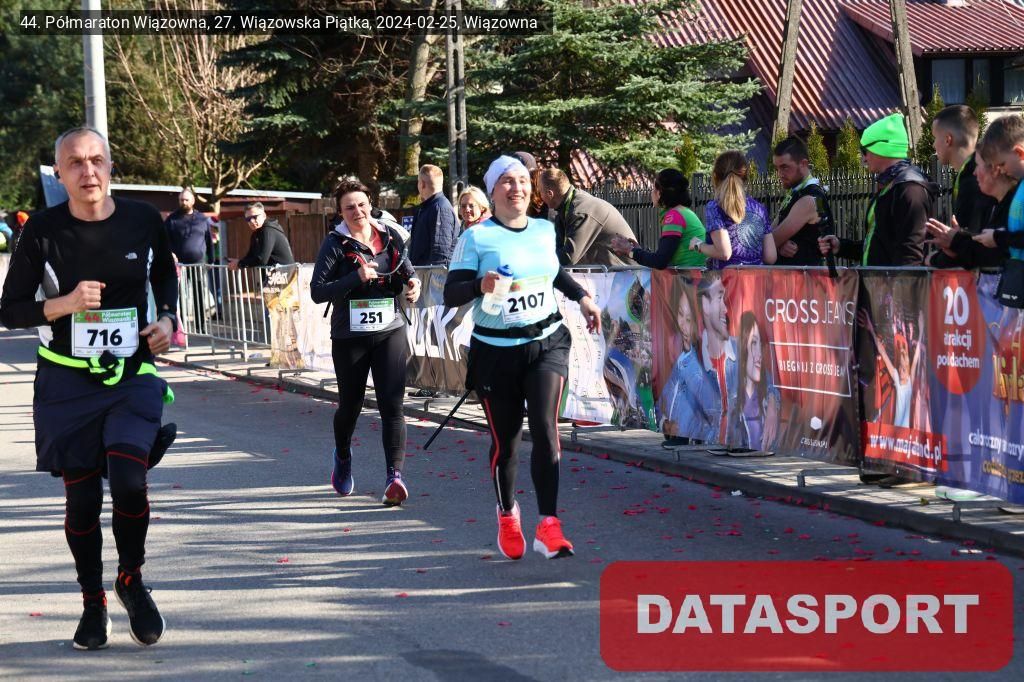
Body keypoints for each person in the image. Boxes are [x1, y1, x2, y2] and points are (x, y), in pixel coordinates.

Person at [0, 126, 177, 650]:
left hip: (131, 373)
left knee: (129, 481)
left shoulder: (143, 219)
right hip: (66, 378)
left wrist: (167, 319)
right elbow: (10, 310)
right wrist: (66, 304)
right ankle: (92, 601)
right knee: (81, 503)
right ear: (59, 173)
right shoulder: (42, 230)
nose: (88, 171)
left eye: (97, 160)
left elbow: (165, 278)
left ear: (111, 166)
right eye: (75, 163)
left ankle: (131, 579)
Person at [443, 155, 602, 560]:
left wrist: (582, 297)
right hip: (495, 352)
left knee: (547, 430)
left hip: (547, 342)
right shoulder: (476, 239)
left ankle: (549, 524)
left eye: (522, 181)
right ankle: (507, 513)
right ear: (493, 192)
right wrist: (480, 284)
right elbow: (451, 292)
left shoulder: (545, 229)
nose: (517, 188)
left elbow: (554, 272)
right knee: (507, 443)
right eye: (507, 182)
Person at [310, 180, 421, 505]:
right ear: (340, 212)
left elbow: (406, 270)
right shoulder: (335, 243)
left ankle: (394, 477)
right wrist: (354, 278)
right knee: (351, 405)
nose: (357, 211)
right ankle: (343, 456)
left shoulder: (389, 235)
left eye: (361, 204)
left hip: (390, 330)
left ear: (369, 203)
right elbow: (317, 291)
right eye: (349, 207)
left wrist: (413, 284)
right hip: (350, 336)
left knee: (392, 404)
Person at [819, 113, 938, 266]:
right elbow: (880, 246)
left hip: (896, 281)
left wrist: (895, 284)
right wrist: (842, 247)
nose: (863, 159)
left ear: (881, 148)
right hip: (882, 280)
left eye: (865, 151)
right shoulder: (891, 185)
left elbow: (911, 256)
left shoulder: (910, 189)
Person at [929, 145, 1018, 268]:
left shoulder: (1014, 203)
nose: (974, 172)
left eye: (978, 165)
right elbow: (981, 254)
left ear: (995, 169)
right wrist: (955, 246)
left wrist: (956, 241)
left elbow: (997, 257)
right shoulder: (996, 204)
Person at [538, 168, 638, 267]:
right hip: (610, 271)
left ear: (550, 193)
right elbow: (558, 248)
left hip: (627, 273)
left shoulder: (580, 211)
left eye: (540, 192)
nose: (540, 197)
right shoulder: (567, 208)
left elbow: (568, 256)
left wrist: (536, 262)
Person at [610, 169, 707, 268]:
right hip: (695, 274)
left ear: (660, 192)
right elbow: (664, 256)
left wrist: (629, 250)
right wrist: (638, 251)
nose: (651, 193)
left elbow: (660, 261)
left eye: (653, 189)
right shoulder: (684, 212)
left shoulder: (674, 216)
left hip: (690, 276)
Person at [695, 151, 777, 268]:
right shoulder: (759, 208)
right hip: (756, 278)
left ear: (715, 176)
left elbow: (724, 253)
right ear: (746, 176)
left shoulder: (715, 207)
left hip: (726, 278)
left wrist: (698, 245)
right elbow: (771, 257)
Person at [932, 104, 995, 233]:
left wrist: (954, 241)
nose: (933, 145)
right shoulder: (968, 173)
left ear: (948, 140)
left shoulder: (977, 180)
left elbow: (975, 238)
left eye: (935, 138)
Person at [771, 137, 831, 265]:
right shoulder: (801, 192)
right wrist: (779, 245)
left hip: (803, 275)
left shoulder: (809, 199)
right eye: (777, 168)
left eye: (785, 167)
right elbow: (771, 234)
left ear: (803, 164)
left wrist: (776, 245)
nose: (779, 174)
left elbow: (769, 242)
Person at [727, 312, 773, 449]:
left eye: (760, 344)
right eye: (753, 343)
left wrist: (773, 402)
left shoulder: (767, 396)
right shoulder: (730, 393)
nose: (759, 354)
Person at [409, 164, 459, 266]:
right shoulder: (429, 207)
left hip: (431, 274)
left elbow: (440, 253)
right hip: (422, 272)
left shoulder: (440, 209)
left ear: (422, 184)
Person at [228, 201, 295, 270]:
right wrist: (238, 262)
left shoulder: (268, 230)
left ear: (264, 215)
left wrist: (240, 263)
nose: (252, 221)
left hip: (285, 274)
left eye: (254, 217)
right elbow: (250, 256)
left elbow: (262, 259)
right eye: (248, 219)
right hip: (275, 274)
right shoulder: (256, 233)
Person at [164, 189, 213, 265]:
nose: (184, 202)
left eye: (186, 200)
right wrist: (170, 254)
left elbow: (209, 240)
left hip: (199, 265)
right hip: (179, 265)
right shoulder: (171, 219)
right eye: (181, 200)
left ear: (193, 201)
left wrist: (211, 261)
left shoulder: (202, 218)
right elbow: (164, 240)